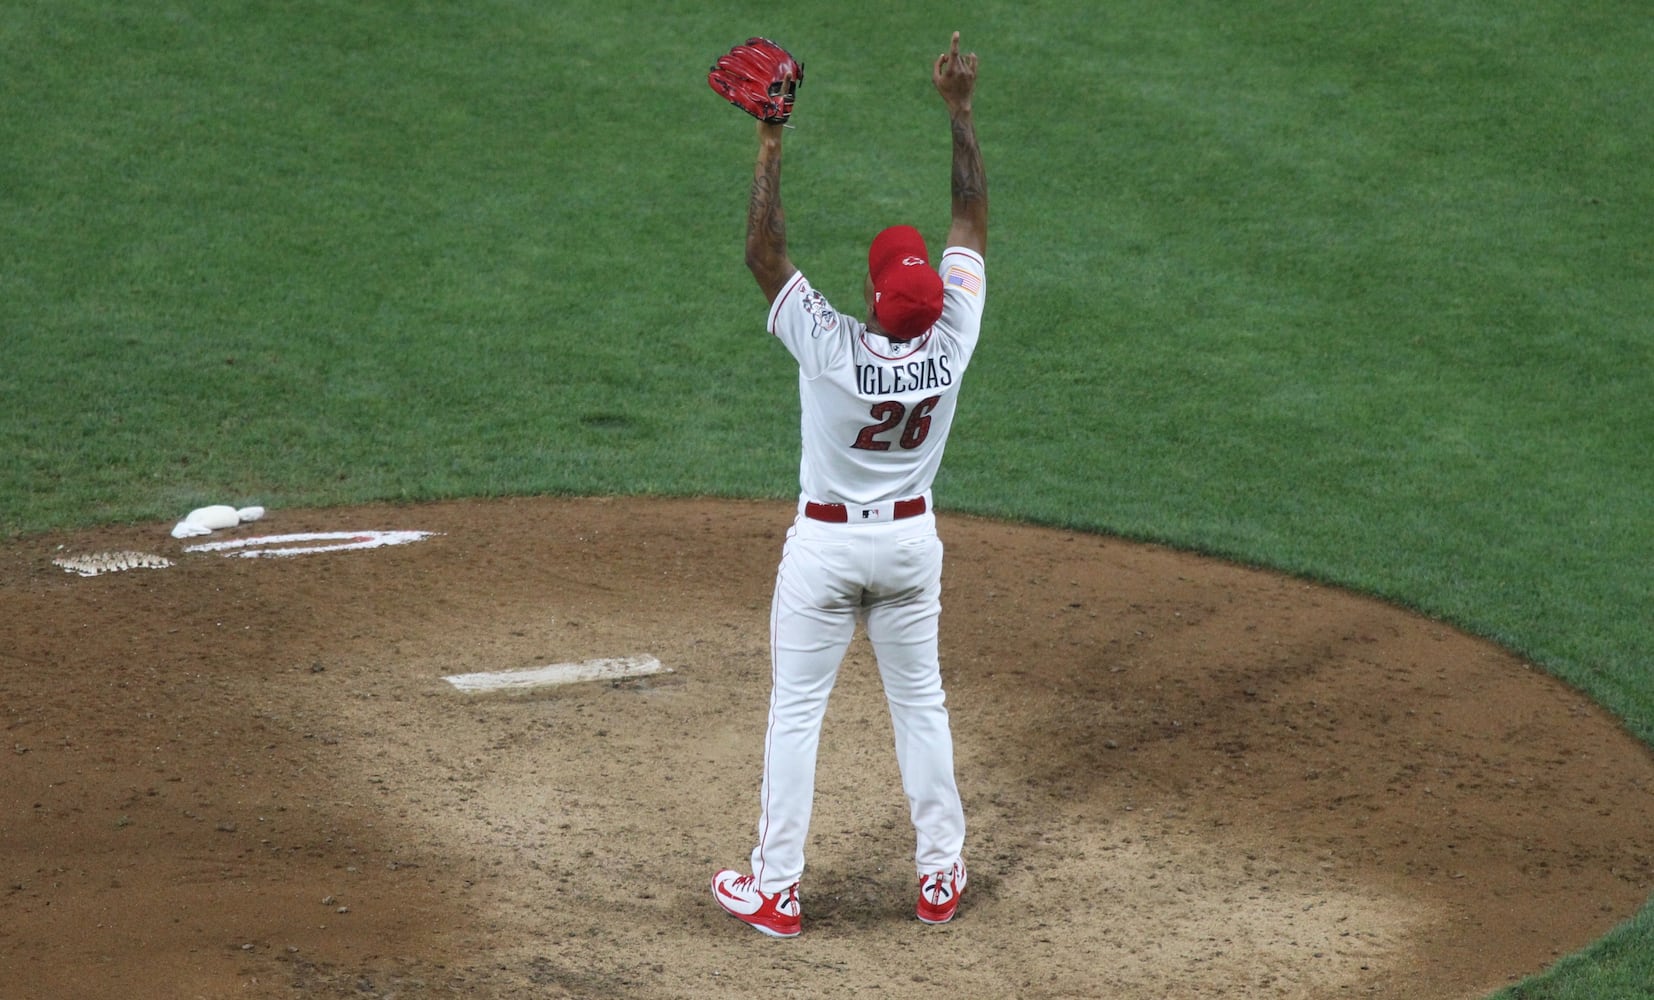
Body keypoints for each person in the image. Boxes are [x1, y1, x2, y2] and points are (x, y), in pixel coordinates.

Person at [711, 30, 988, 938]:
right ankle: (940, 876)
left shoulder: (830, 347)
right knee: (922, 707)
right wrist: (960, 115)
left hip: (827, 547)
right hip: (911, 545)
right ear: (933, 301)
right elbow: (969, 222)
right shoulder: (953, 344)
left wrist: (770, 142)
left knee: (797, 716)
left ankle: (778, 891)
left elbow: (764, 252)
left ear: (873, 300)